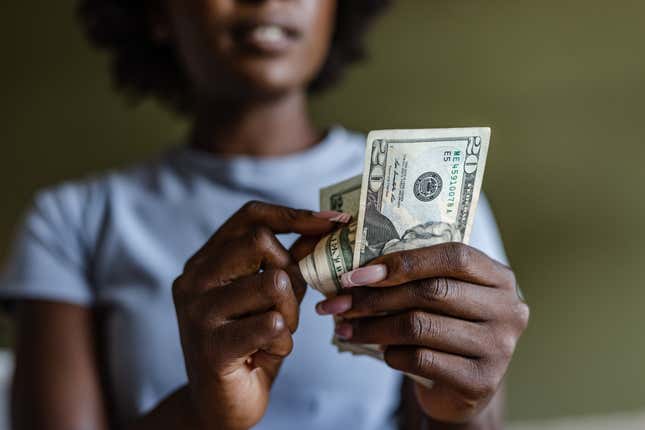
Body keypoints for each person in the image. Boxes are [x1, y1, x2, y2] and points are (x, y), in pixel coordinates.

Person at [0, 1, 529, 429]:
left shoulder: (433, 203)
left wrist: (460, 412)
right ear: (158, 13)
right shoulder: (71, 222)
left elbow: (453, 415)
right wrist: (202, 413)